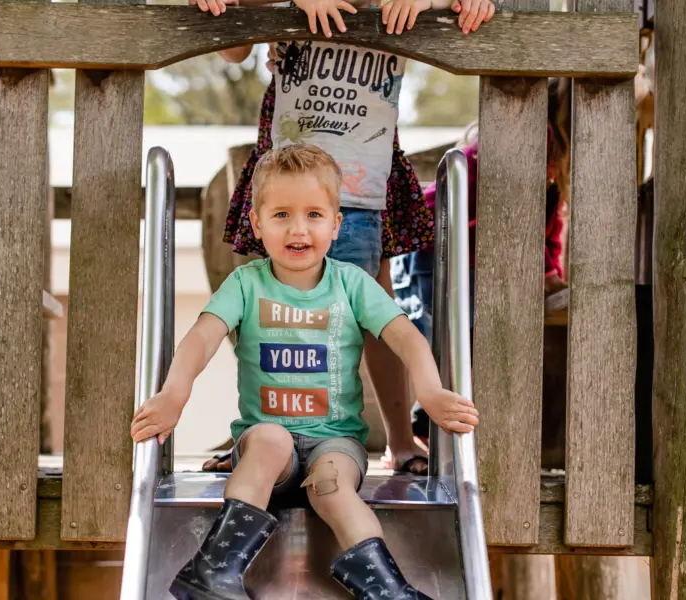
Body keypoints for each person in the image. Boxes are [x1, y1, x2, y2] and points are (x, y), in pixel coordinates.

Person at [131, 145, 479, 599]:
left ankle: (386, 589)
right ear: (256, 224)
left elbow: (406, 338)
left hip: (334, 440)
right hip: (268, 444)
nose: (299, 229)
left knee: (334, 486)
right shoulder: (246, 284)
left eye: (314, 214)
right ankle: (213, 570)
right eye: (281, 215)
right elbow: (201, 339)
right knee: (269, 439)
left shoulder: (352, 283)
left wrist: (430, 393)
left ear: (336, 224)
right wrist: (174, 395)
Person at [199, 0, 496, 476]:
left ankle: (400, 439)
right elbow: (233, 49)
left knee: (377, 313)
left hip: (364, 178)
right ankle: (253, 436)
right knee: (267, 310)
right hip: (290, 181)